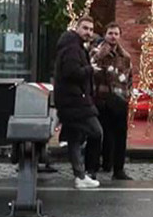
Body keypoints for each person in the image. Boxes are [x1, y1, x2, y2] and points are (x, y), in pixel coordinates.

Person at [53, 16, 103, 189]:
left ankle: (80, 175)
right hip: (75, 102)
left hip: (73, 100)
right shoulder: (72, 48)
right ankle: (85, 171)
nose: (88, 32)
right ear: (77, 28)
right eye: (85, 28)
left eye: (90, 29)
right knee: (96, 132)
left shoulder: (75, 47)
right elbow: (71, 72)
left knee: (74, 138)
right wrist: (90, 69)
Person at [91, 22, 133, 180]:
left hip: (120, 99)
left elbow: (129, 77)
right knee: (98, 134)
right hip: (101, 99)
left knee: (120, 136)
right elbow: (91, 68)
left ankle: (118, 169)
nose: (113, 36)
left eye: (116, 33)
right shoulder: (97, 52)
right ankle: (94, 167)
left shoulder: (125, 56)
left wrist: (128, 94)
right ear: (105, 35)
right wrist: (101, 54)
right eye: (110, 33)